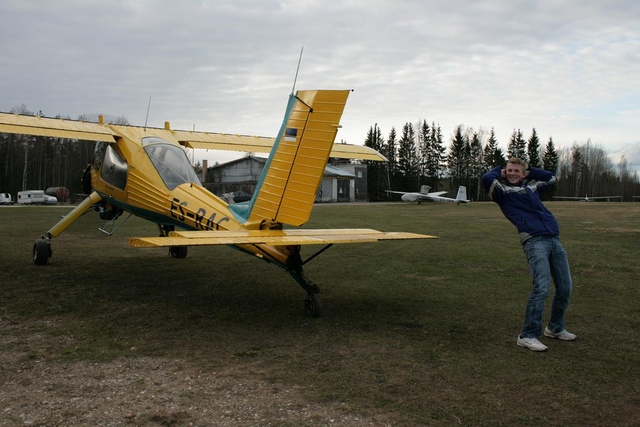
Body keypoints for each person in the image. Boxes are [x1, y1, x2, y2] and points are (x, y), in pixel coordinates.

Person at [481, 158, 576, 352]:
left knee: (565, 287)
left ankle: (555, 328)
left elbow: (550, 178)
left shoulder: (532, 186)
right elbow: (486, 179)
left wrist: (530, 170)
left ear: (524, 174)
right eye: (509, 171)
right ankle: (528, 335)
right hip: (534, 240)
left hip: (553, 238)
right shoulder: (502, 192)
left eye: (517, 171)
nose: (513, 173)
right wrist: (499, 170)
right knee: (541, 287)